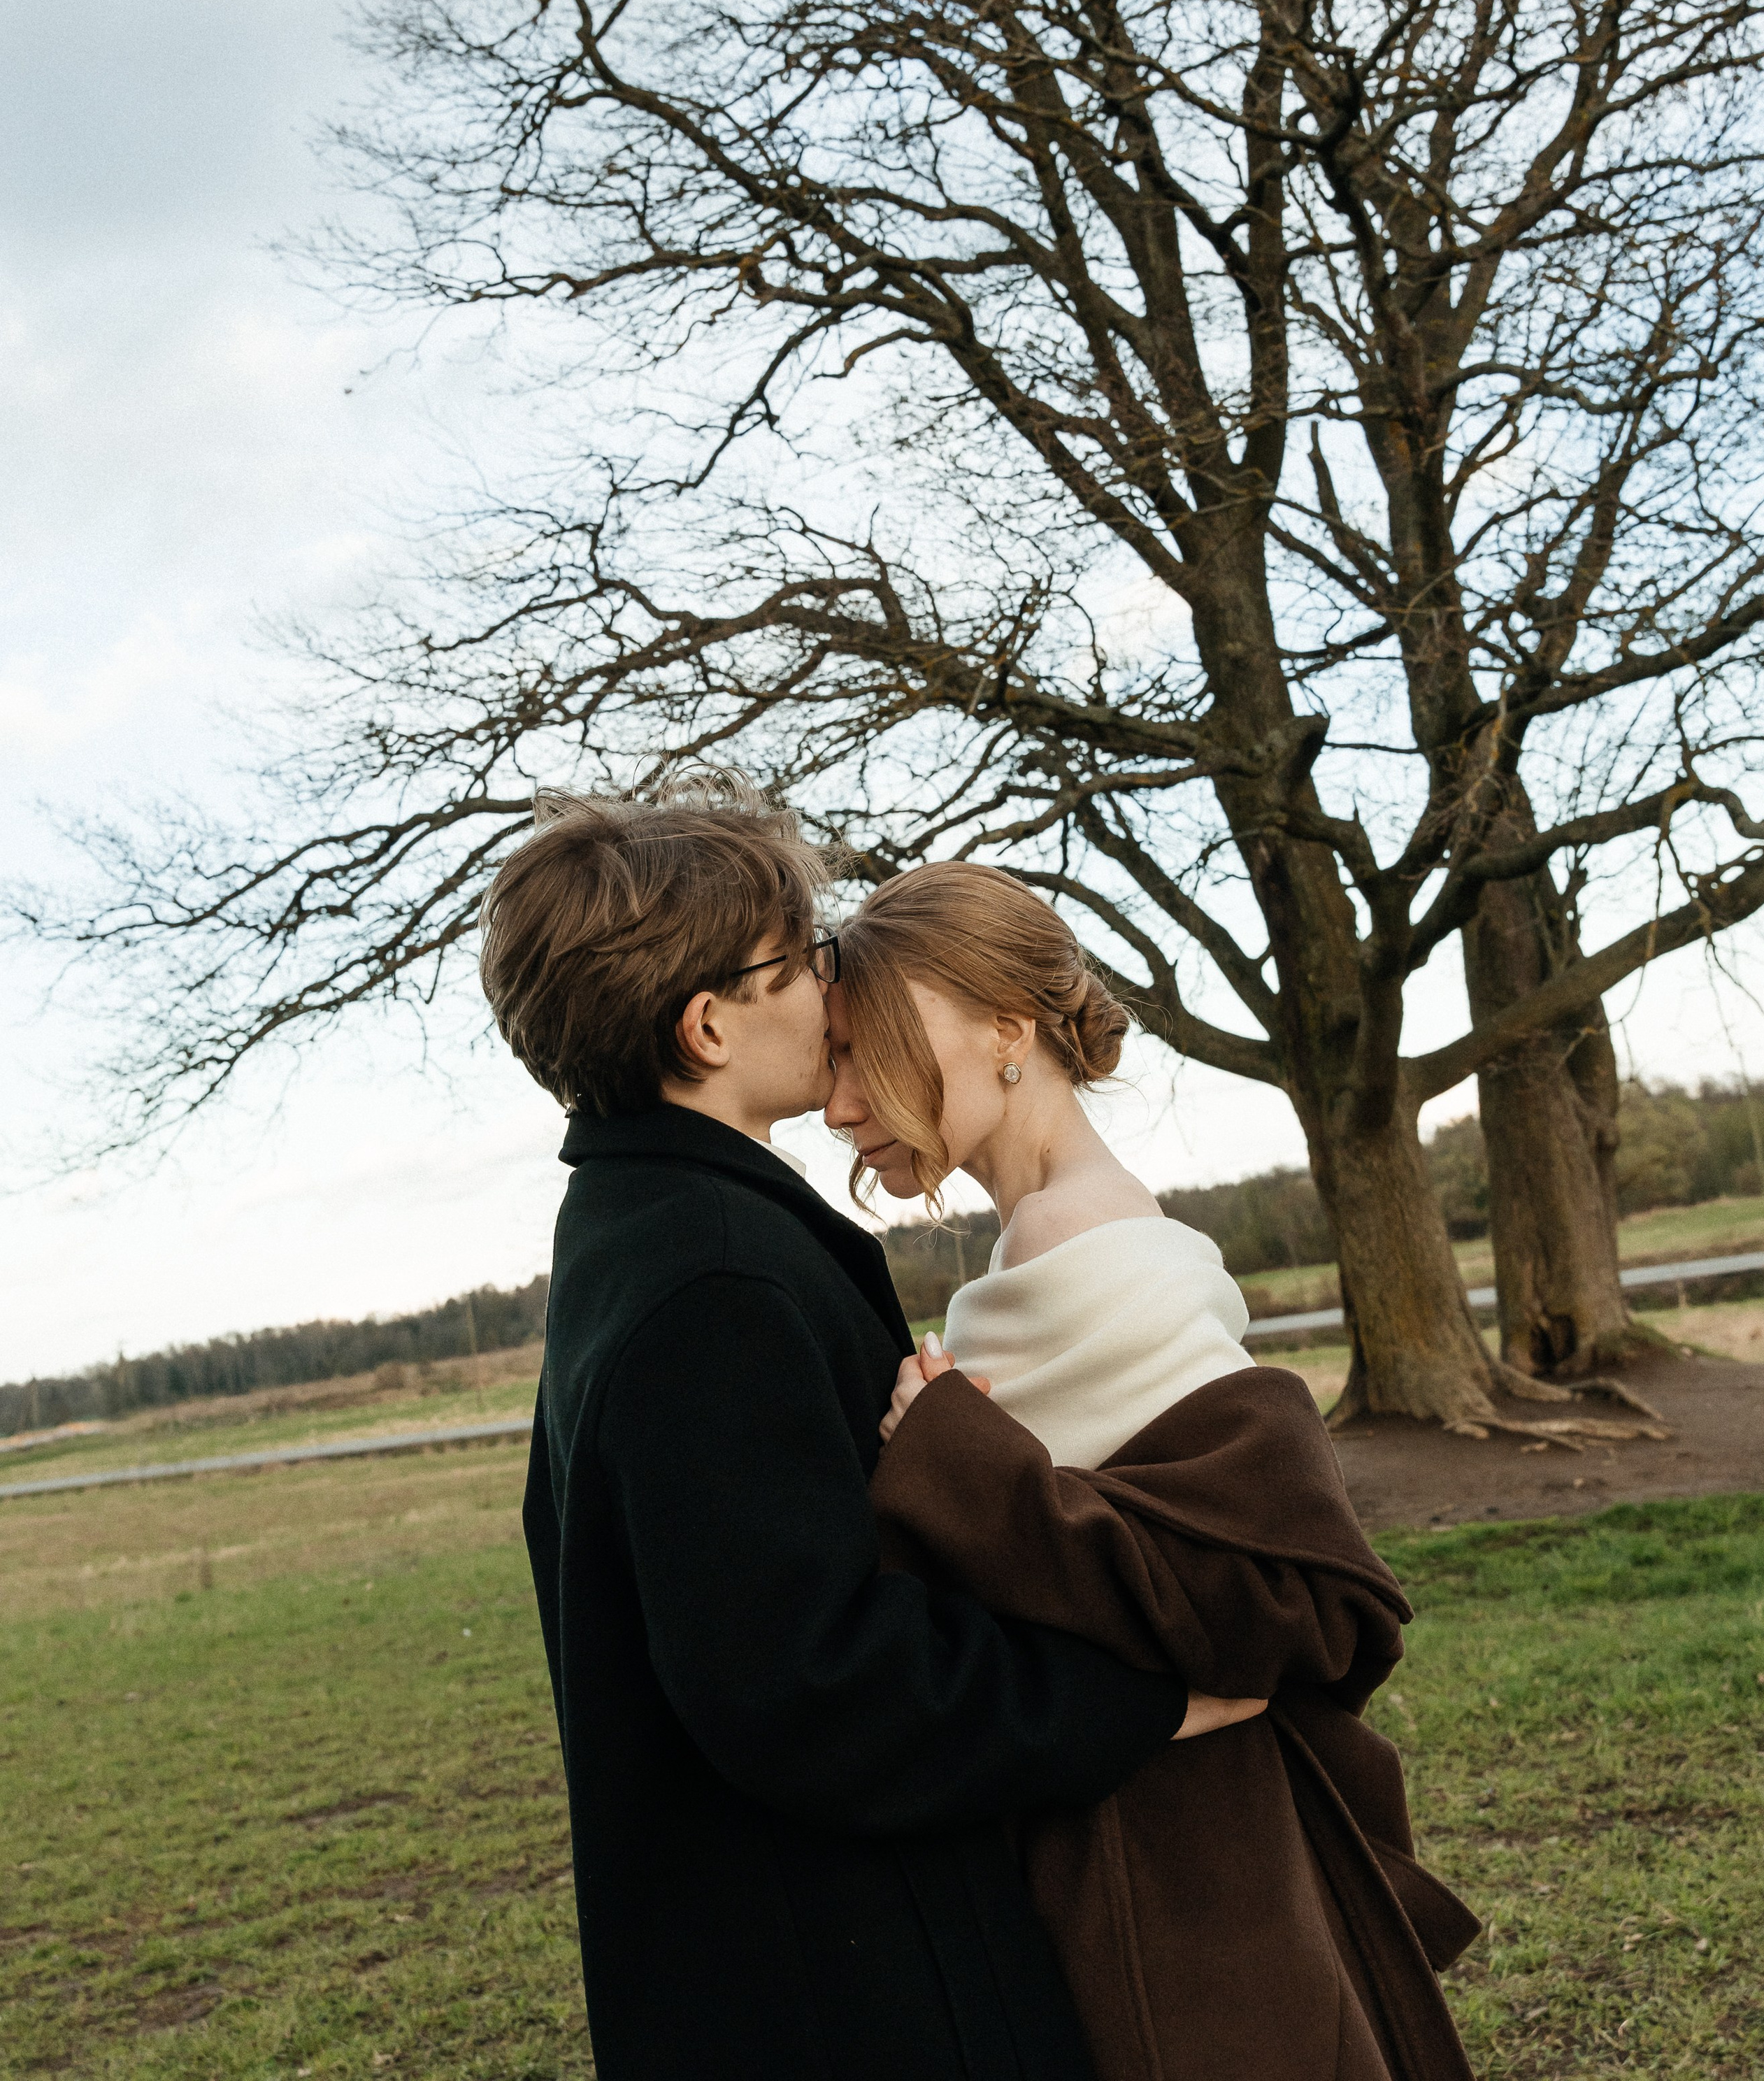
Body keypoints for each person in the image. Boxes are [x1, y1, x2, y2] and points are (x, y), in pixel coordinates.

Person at [480, 777, 1253, 2081]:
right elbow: (815, 1684)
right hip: (845, 1994)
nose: (831, 987)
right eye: (799, 964)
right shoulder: (712, 1280)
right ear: (709, 1024)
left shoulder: (643, 1235)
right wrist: (1154, 1696)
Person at [826, 861, 1480, 2081]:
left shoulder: (1077, 1242)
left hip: (1177, 1851)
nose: (840, 1103)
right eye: (835, 1059)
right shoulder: (1054, 1231)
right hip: (1157, 1814)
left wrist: (947, 1456)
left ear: (1007, 1028)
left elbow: (1238, 1578)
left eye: (871, 1051)